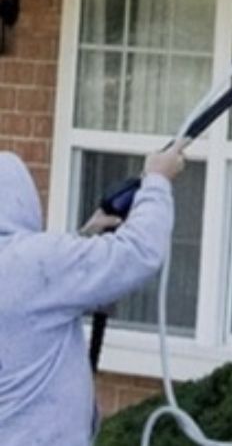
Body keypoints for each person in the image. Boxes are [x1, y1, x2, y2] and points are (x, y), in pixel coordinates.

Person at [0, 143, 184, 446]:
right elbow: (139, 252)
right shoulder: (32, 262)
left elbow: (35, 302)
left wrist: (85, 240)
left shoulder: (34, 268)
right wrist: (157, 181)